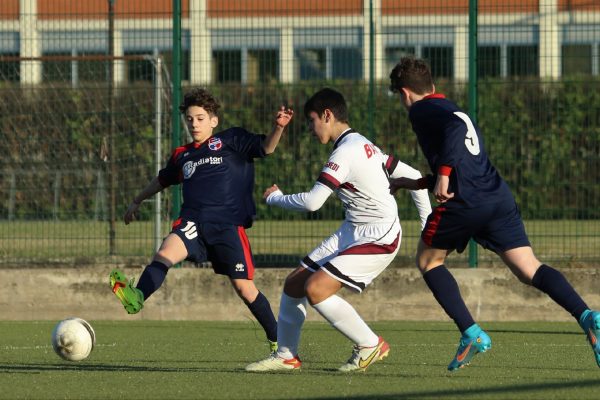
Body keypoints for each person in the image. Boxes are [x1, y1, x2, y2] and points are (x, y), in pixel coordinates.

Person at [388, 56, 600, 371]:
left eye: (400, 99)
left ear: (405, 94)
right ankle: (589, 317)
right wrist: (420, 181)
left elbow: (454, 133)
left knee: (428, 260)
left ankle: (470, 333)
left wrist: (443, 173)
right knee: (529, 268)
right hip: (496, 197)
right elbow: (465, 158)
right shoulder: (451, 105)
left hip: (467, 202)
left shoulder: (422, 110)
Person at [245, 88, 432, 372]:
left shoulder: (345, 152)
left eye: (311, 121)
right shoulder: (364, 144)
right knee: (294, 284)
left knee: (316, 289)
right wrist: (427, 224)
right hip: (354, 230)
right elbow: (416, 176)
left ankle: (370, 344)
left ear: (327, 116)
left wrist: (275, 198)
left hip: (378, 236)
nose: (310, 129)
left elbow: (312, 203)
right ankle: (286, 356)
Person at [109, 88, 293, 355]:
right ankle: (137, 296)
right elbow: (161, 181)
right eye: (190, 119)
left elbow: (266, 148)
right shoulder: (182, 155)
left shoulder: (232, 140)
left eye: (200, 118)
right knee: (164, 253)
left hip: (227, 225)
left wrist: (278, 127)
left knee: (244, 288)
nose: (194, 123)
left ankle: (278, 341)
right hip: (193, 221)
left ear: (213, 120)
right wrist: (137, 200)